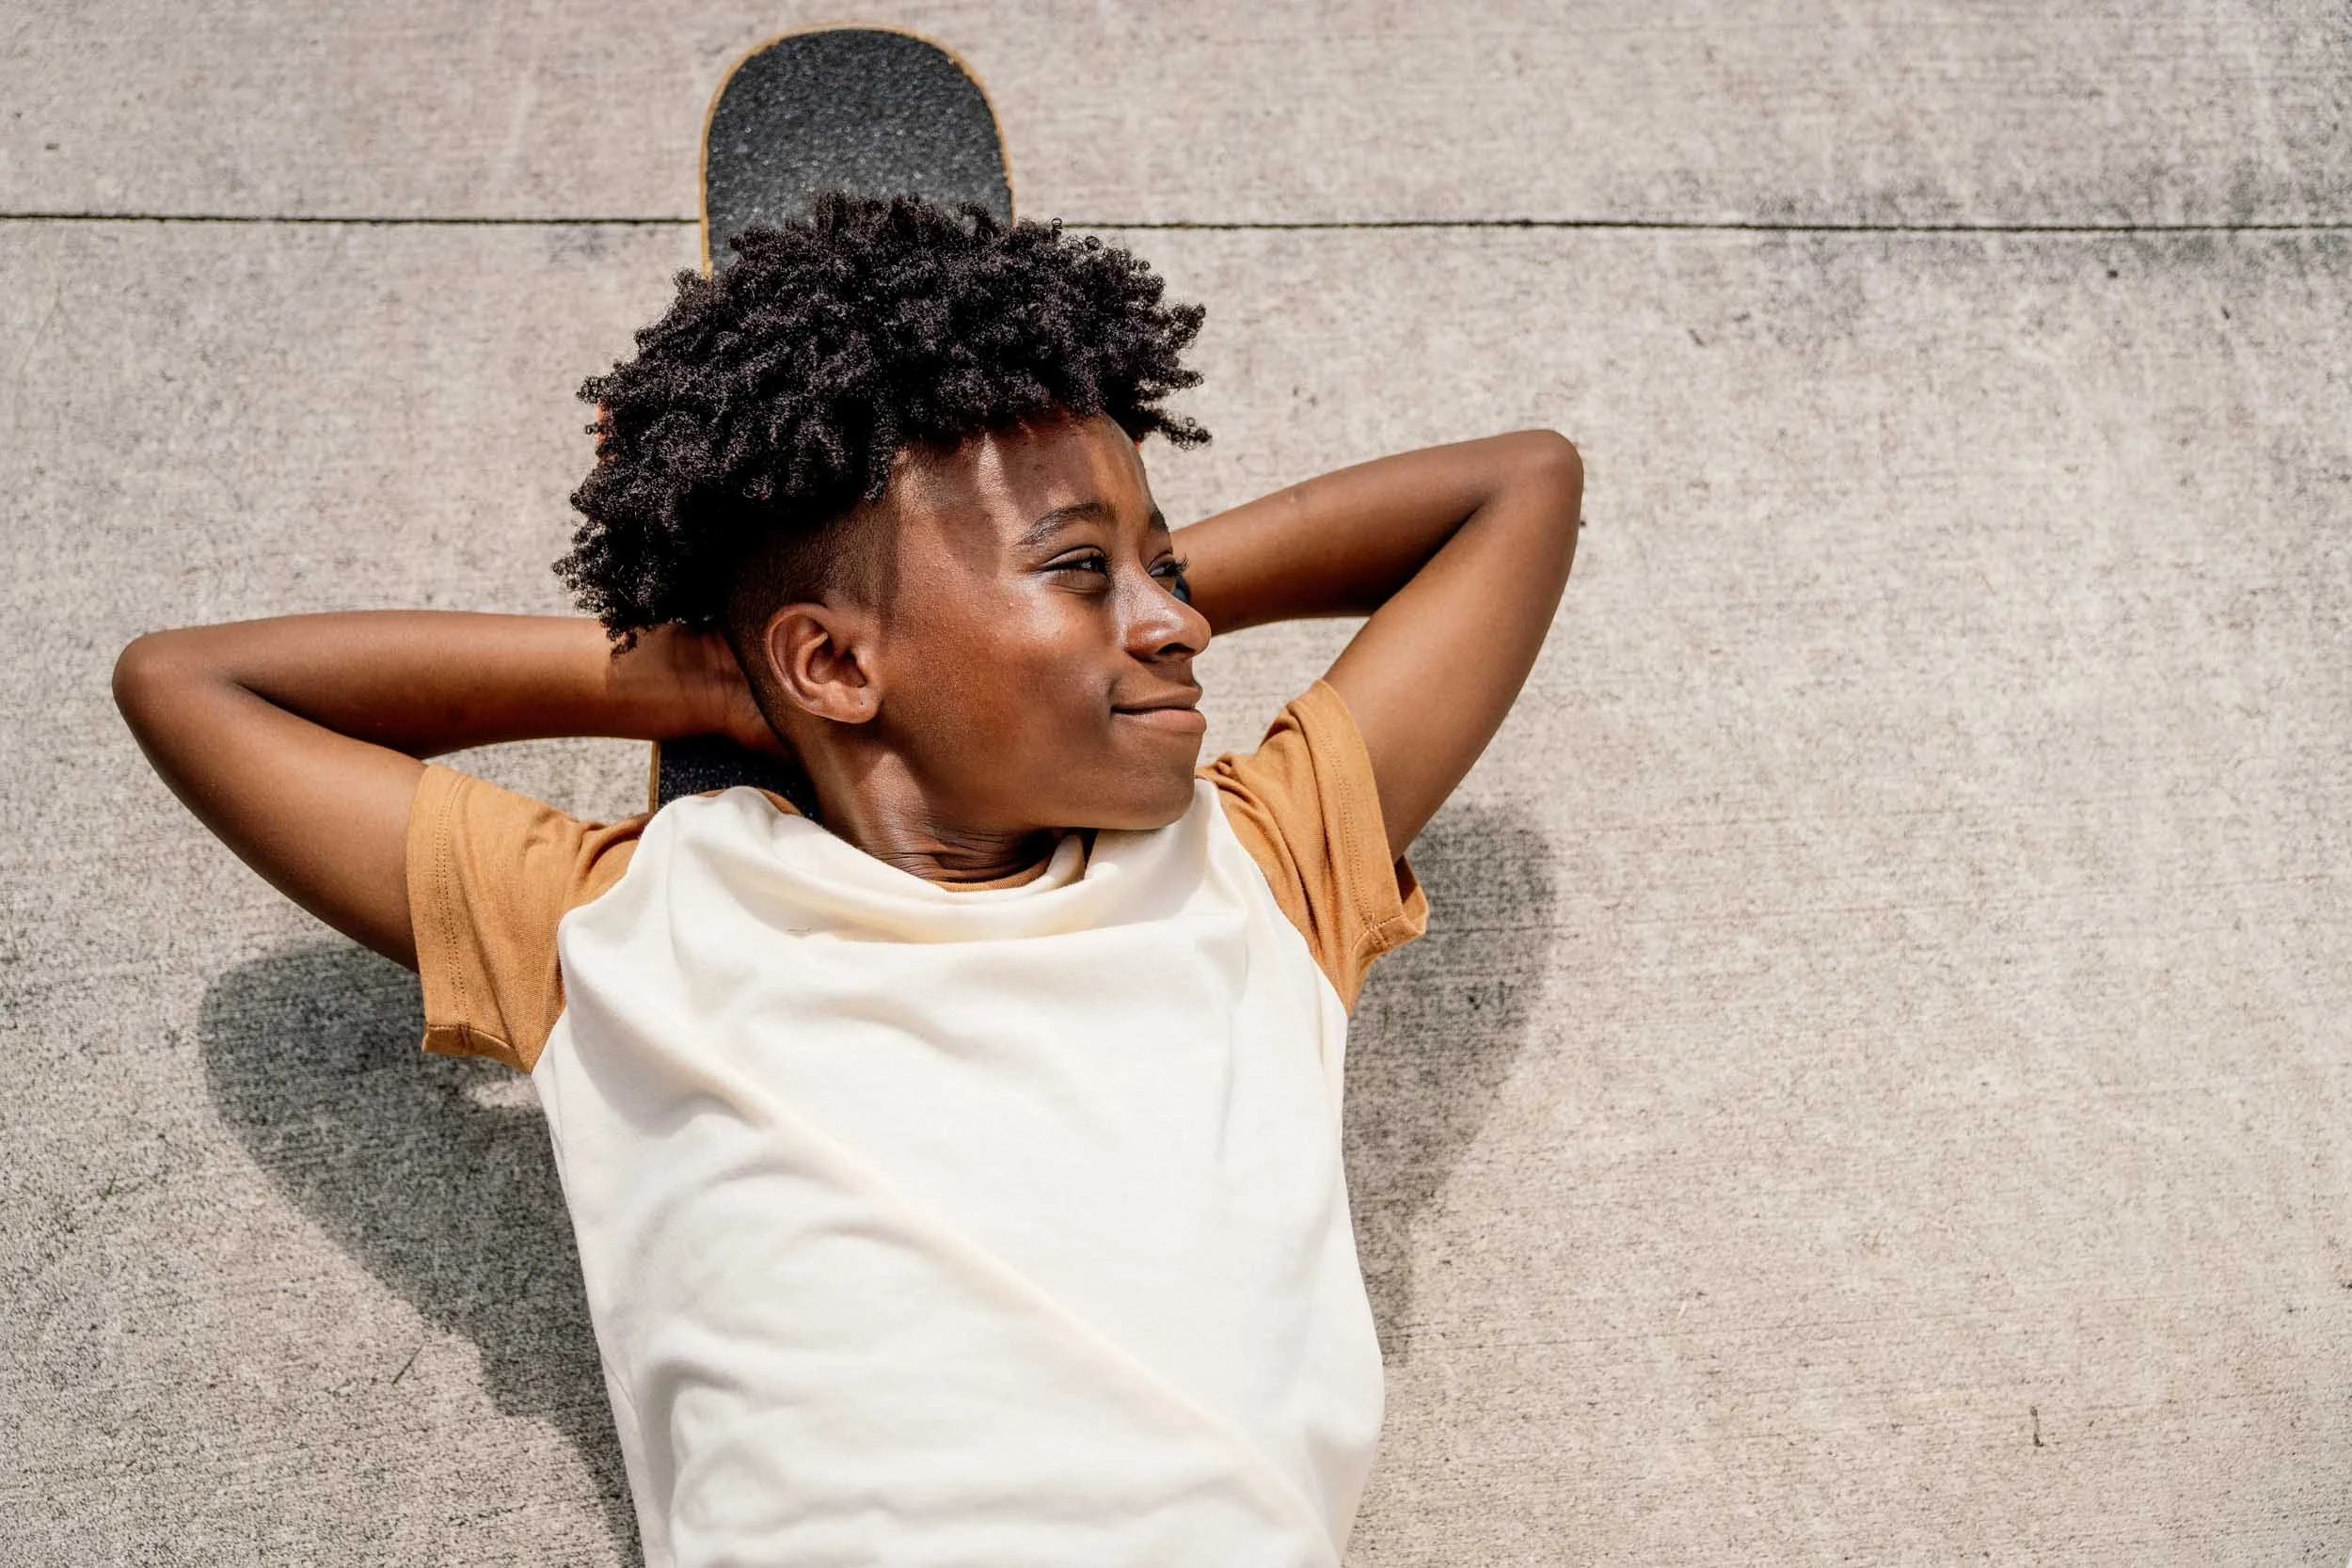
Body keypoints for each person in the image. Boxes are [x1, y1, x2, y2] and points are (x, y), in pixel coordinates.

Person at [112, 192, 1582, 1567]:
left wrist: (1124, 587)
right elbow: (194, 686)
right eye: (1080, 570)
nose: (1180, 625)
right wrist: (691, 679)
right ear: (832, 659)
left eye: (1170, 574)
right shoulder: (632, 930)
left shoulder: (1252, 868)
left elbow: (1521, 488)